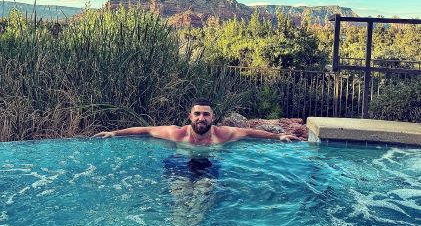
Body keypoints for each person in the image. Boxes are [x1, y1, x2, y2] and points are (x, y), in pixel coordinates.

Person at [93, 98, 299, 144]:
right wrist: (114, 133)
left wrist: (279, 136)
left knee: (204, 195)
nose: (202, 118)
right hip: (180, 165)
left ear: (213, 118)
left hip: (208, 166)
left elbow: (251, 132)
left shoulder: (223, 134)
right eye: (197, 114)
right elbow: (145, 130)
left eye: (206, 114)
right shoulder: (177, 133)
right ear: (190, 116)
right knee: (180, 197)